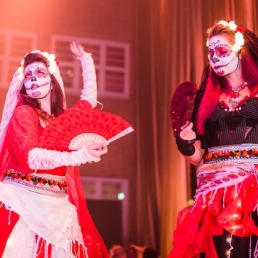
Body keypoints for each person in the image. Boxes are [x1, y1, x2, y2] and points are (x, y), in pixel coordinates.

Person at [0, 41, 110, 257]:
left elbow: (88, 100)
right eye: (28, 75)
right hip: (24, 205)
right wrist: (80, 155)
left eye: (39, 72)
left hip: (57, 208)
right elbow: (31, 158)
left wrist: (86, 60)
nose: (32, 78)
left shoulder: (60, 120)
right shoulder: (24, 113)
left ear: (52, 83)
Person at [169, 20, 258, 257]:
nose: (215, 58)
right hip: (214, 191)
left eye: (222, 51)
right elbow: (199, 157)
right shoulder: (206, 98)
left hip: (253, 188)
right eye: (211, 52)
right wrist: (185, 144)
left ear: (240, 51)